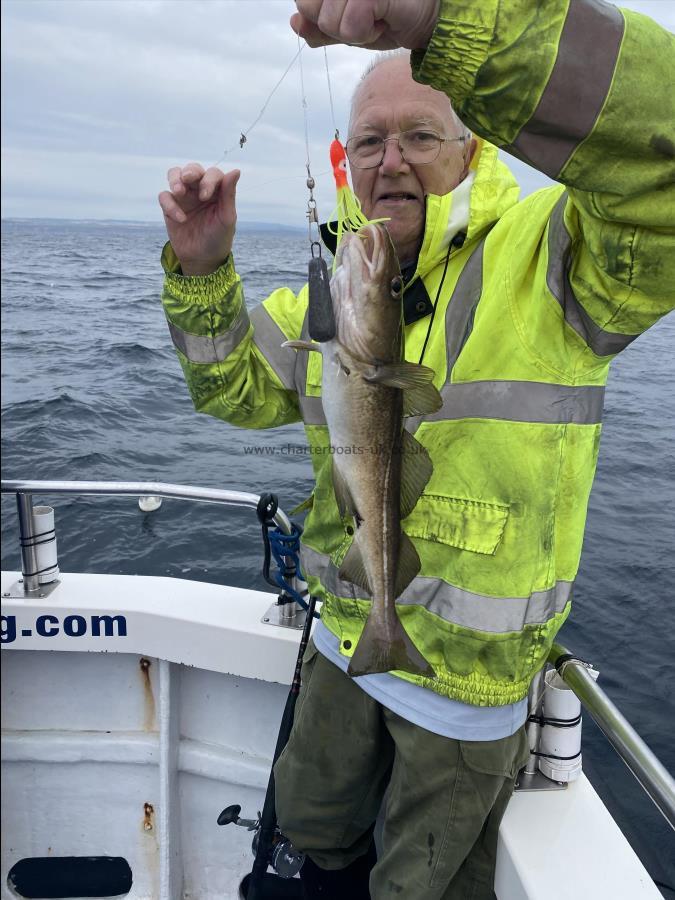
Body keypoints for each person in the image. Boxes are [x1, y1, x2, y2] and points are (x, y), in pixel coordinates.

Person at [159, 1, 674, 897]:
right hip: (344, 644)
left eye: (419, 135)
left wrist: (457, 20)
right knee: (302, 855)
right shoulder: (333, 300)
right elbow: (231, 391)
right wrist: (203, 273)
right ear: (344, 163)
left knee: (416, 886)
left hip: (467, 698)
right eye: (367, 143)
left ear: (474, 149)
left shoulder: (554, 257)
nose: (389, 161)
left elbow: (659, 171)